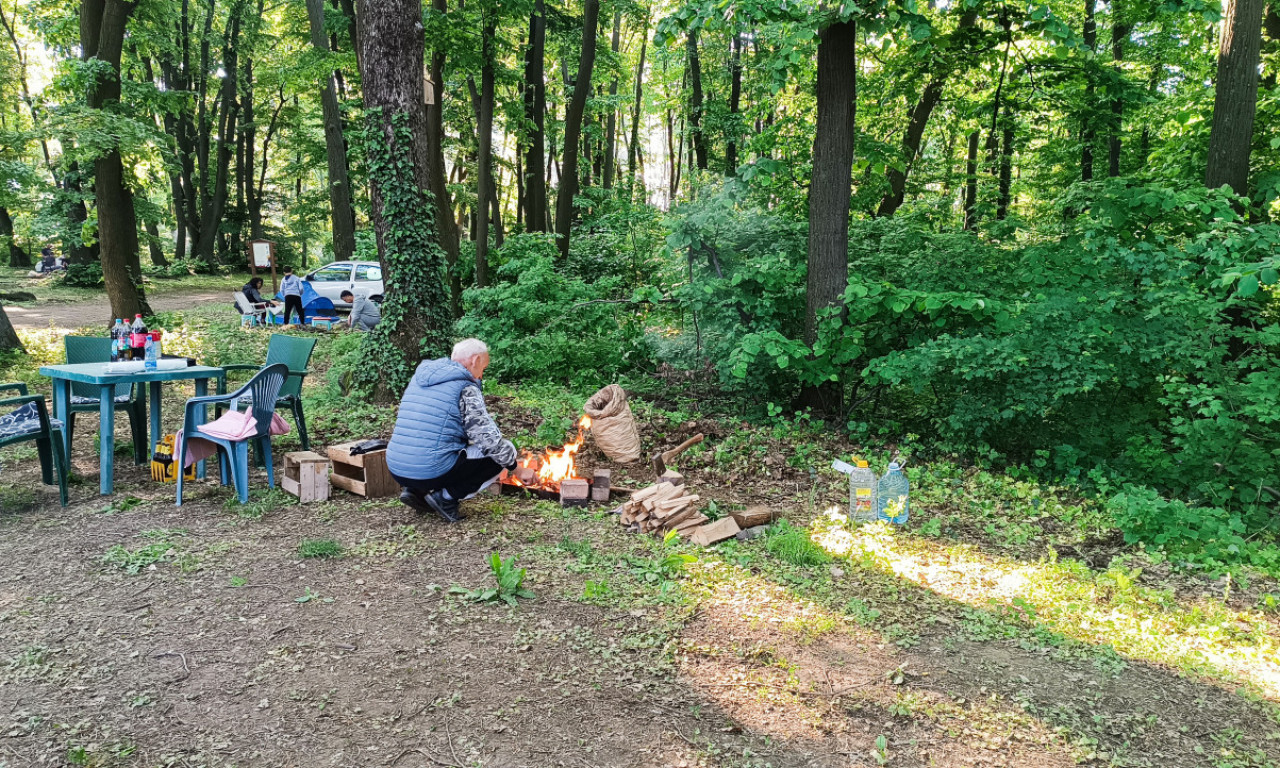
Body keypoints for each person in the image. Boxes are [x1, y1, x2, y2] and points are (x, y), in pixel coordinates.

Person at [386, 338, 516, 523]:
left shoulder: (419, 378)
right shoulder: (465, 386)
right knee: (503, 453)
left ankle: (415, 491)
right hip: (430, 469)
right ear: (475, 360)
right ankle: (446, 498)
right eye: (483, 369)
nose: (481, 376)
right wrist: (516, 468)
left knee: (437, 446)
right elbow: (487, 439)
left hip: (397, 467)